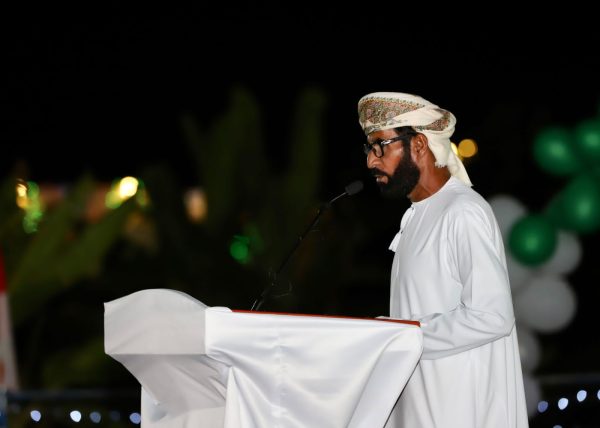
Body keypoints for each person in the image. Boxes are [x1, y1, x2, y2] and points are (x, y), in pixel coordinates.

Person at [358, 92, 529, 427]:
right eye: (369, 148)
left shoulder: (461, 211)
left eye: (380, 146)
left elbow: (492, 316)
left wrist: (400, 334)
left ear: (419, 145)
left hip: (459, 411)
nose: (371, 162)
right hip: (419, 410)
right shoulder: (417, 215)